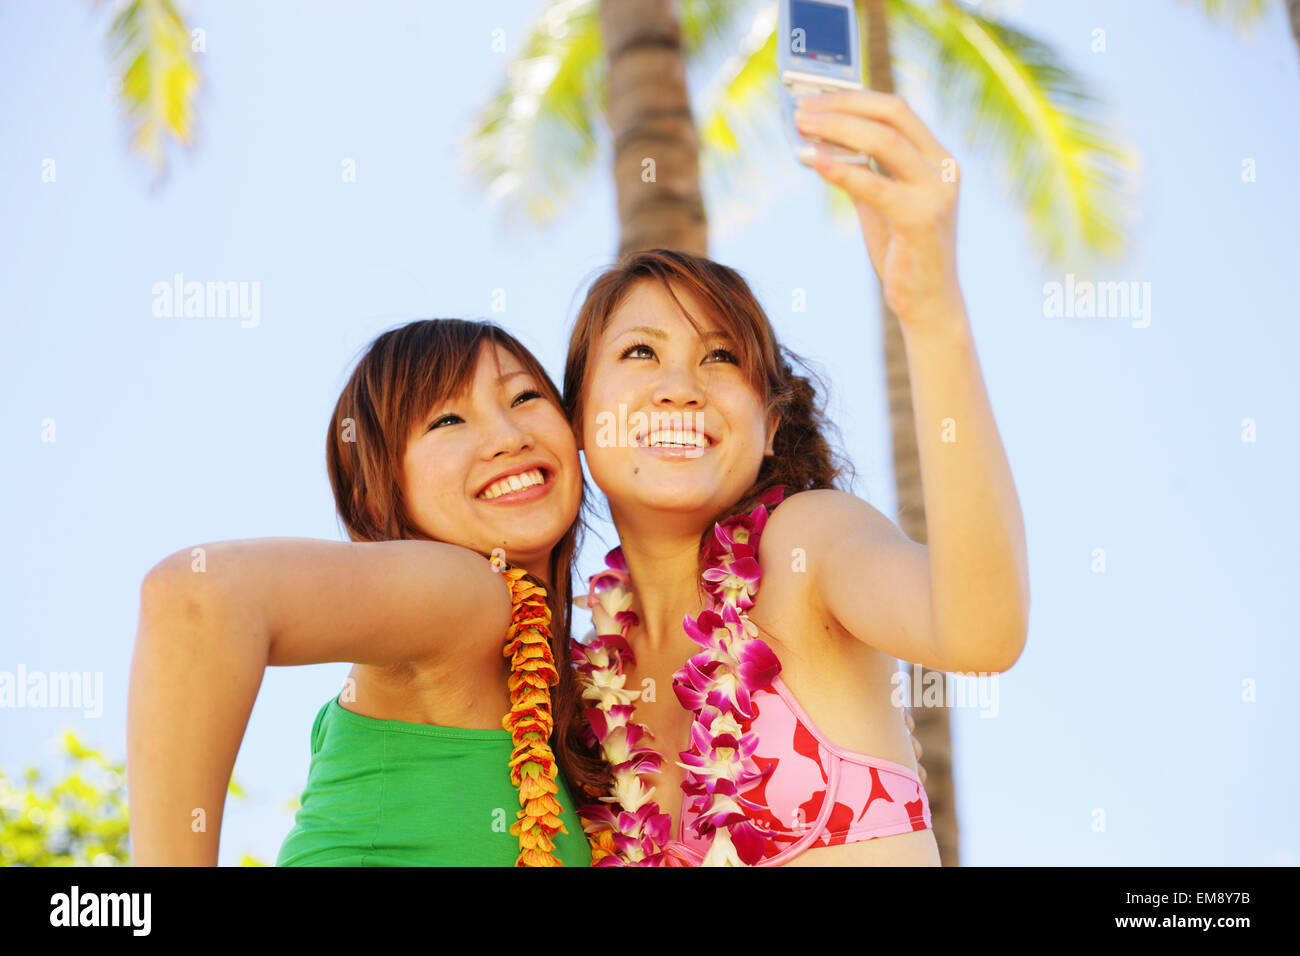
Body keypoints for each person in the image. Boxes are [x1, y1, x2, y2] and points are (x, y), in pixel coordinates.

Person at [560, 91, 1029, 866]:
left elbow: (981, 630)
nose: (681, 385)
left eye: (721, 357)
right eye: (640, 353)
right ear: (578, 418)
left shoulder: (807, 544)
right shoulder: (575, 705)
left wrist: (931, 312)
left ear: (770, 424)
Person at [127, 319, 602, 866]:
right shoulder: (469, 591)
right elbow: (197, 594)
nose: (508, 437)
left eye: (524, 396)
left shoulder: (587, 695)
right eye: (447, 419)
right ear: (376, 499)